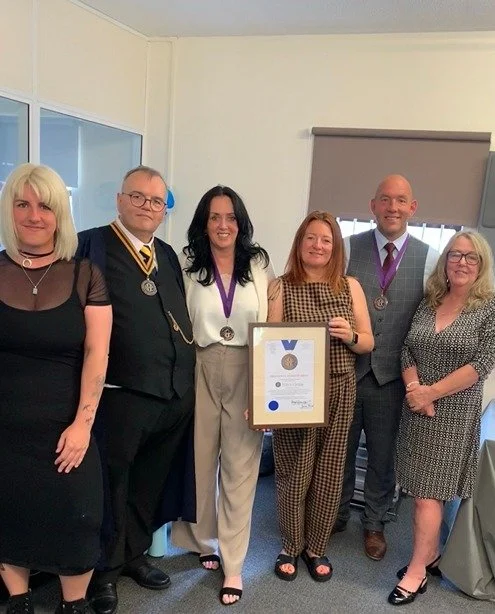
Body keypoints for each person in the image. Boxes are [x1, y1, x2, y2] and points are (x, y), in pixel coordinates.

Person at [76, 166, 196, 614]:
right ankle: (104, 571)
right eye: (138, 197)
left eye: (157, 201)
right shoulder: (91, 246)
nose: (148, 206)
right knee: (113, 484)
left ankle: (133, 554)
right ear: (120, 199)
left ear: (165, 210)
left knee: (148, 482)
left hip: (172, 394)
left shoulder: (165, 253)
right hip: (120, 393)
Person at [0, 164, 112, 614]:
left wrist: (83, 425)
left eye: (45, 206)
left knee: (77, 519)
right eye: (22, 204)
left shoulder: (85, 274)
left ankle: (74, 604)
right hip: (5, 431)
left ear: (60, 214)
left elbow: (97, 355)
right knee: (9, 514)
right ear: (9, 210)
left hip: (67, 428)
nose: (34, 215)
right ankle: (19, 600)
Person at [171, 185, 274, 606]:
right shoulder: (188, 264)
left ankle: (233, 564)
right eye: (214, 217)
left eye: (230, 217)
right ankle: (202, 539)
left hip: (247, 365)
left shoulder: (258, 263)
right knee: (198, 461)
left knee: (240, 468)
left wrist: (266, 389)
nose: (223, 225)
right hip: (200, 362)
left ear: (240, 222)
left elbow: (271, 323)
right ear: (204, 223)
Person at [387, 231, 495, 605]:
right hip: (417, 408)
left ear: (481, 265)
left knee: (427, 497)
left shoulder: (489, 309)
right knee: (420, 490)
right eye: (455, 255)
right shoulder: (430, 301)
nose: (462, 262)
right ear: (445, 261)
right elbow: (407, 348)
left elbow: (482, 363)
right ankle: (430, 555)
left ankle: (416, 571)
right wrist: (415, 389)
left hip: (453, 413)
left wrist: (431, 393)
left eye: (471, 257)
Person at [267, 211, 374, 583]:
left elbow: (367, 342)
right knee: (293, 470)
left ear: (335, 247)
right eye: (311, 238)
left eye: (326, 240)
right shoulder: (280, 287)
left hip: (339, 387)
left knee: (329, 472)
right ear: (300, 243)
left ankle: (316, 547)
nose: (318, 245)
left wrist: (350, 336)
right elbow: (269, 346)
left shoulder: (350, 286)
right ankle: (290, 544)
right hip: (294, 391)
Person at [336, 174, 438, 561]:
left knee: (382, 457)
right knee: (338, 450)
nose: (392, 207)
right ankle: (335, 514)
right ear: (373, 205)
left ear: (412, 207)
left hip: (394, 378)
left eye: (400, 200)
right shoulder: (346, 248)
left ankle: (374, 523)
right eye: (384, 199)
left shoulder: (431, 259)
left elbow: (433, 319)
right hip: (347, 371)